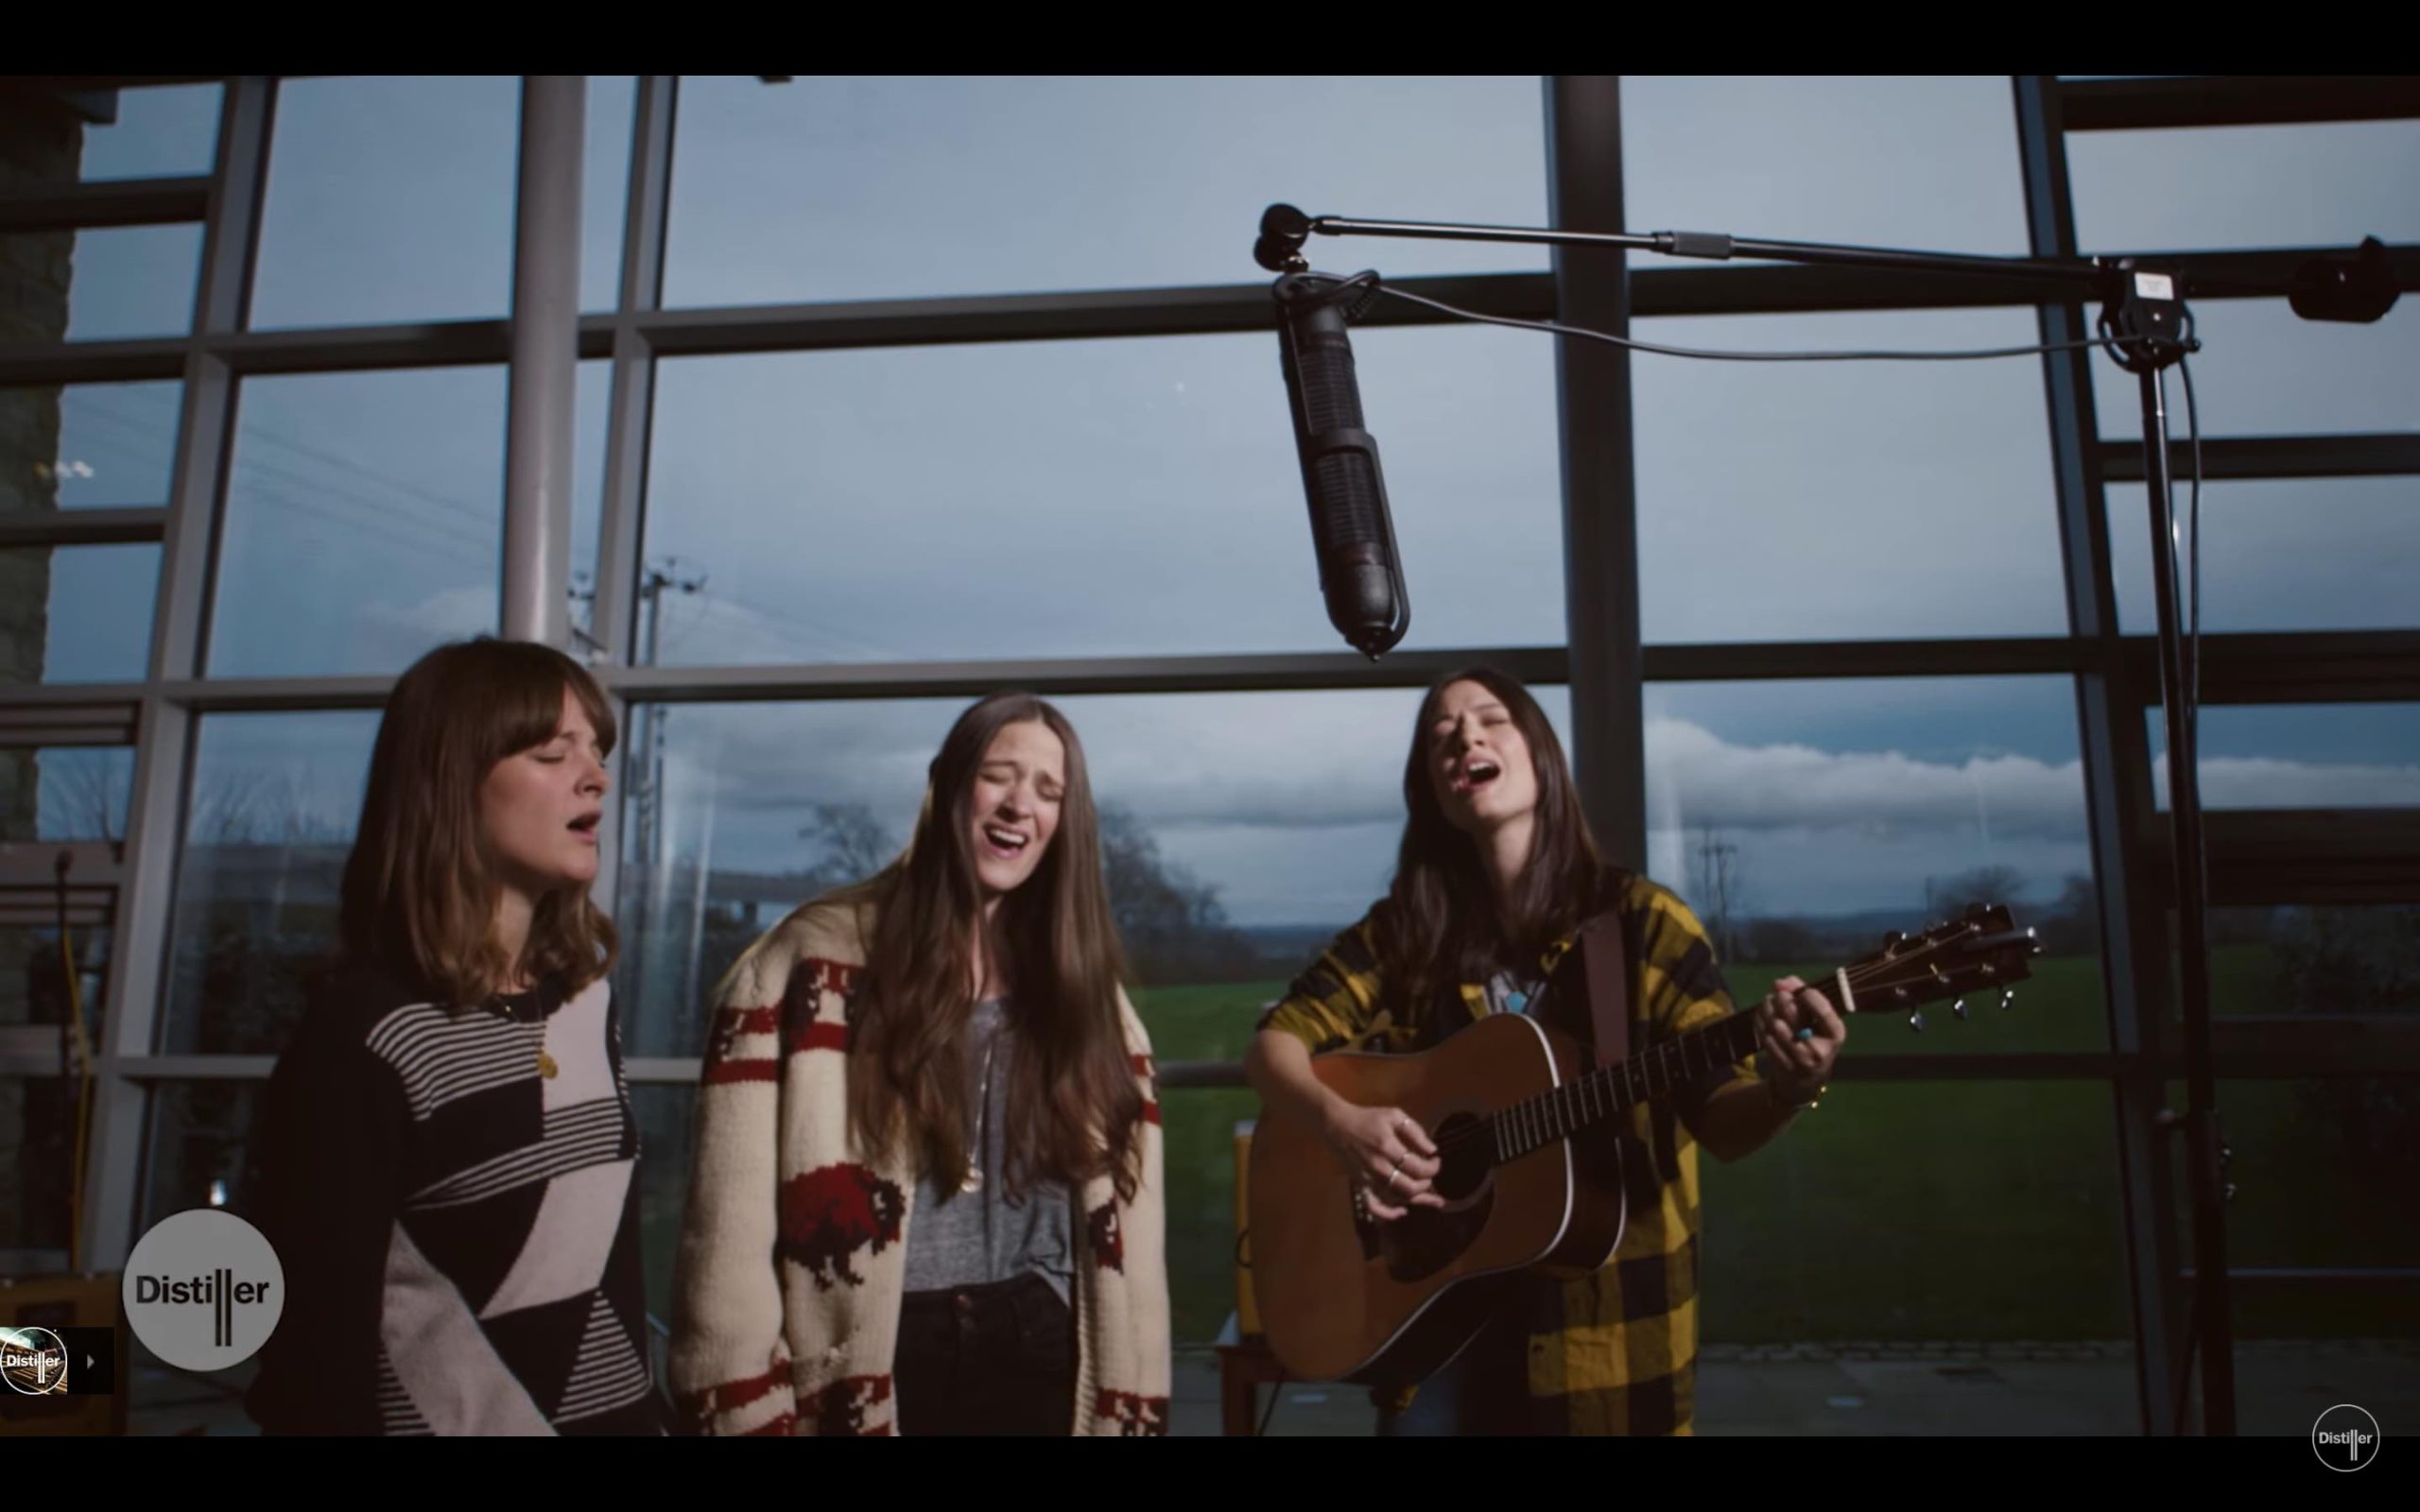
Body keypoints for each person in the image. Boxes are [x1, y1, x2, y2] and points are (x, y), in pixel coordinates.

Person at [1245, 666, 1845, 1436]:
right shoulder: (1405, 933)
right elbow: (1275, 1044)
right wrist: (1339, 1125)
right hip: (1436, 1332)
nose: (1466, 736)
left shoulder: (1646, 926)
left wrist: (1791, 1089)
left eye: (1491, 719)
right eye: (1441, 735)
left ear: (1541, 756)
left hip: (1608, 1341)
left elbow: (1723, 1121)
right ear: (1431, 788)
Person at [668, 693, 1170, 1436]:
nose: (1018, 807)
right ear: (947, 785)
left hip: (1044, 1354)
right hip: (885, 1357)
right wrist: (741, 1407)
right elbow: (726, 1231)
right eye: (999, 776)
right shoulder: (808, 962)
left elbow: (1136, 1233)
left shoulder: (1086, 996)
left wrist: (1136, 1399)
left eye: (1047, 790)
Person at [245, 638, 660, 1435]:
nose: (596, 776)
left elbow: (609, 1282)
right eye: (550, 751)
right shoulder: (366, 1035)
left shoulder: (584, 1007)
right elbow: (313, 1360)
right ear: (451, 783)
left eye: (597, 751)